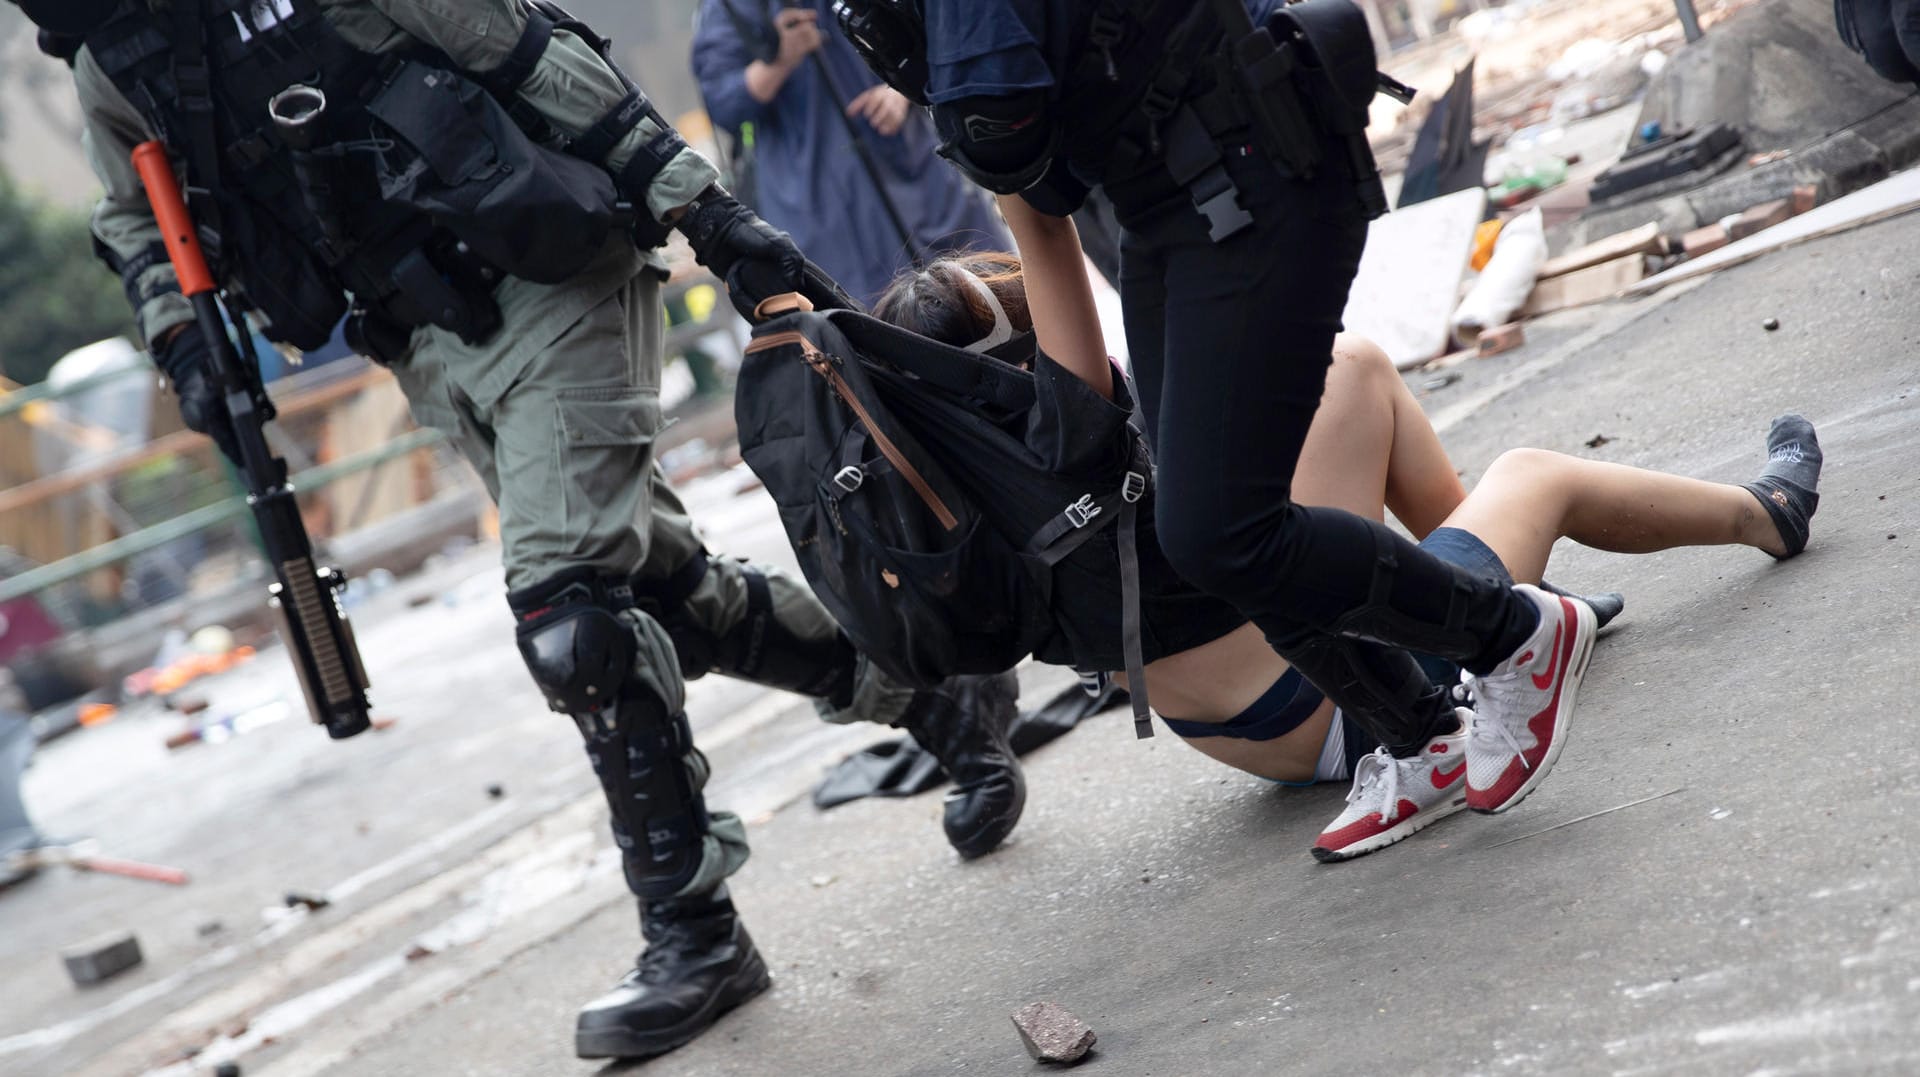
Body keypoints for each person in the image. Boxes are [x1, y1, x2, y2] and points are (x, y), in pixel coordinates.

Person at [15, 0, 1026, 1060]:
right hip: (423, 338)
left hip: (553, 267)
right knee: (661, 603)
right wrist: (181, 344)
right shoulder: (111, 45)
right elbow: (132, 211)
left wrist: (709, 217)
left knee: (573, 620)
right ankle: (935, 698)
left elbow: (537, 56)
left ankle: (695, 931)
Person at [837, 0, 1611, 837]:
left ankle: (1502, 631)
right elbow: (1042, 186)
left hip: (1243, 167)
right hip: (1164, 203)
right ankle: (1459, 688)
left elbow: (1013, 146)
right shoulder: (1055, 443)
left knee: (1225, 523)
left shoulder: (1013, 478)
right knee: (1246, 495)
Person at [870, 196, 1824, 859]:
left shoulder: (958, 500)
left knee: (1340, 380)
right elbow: (1037, 218)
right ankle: (1766, 517)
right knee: (1511, 460)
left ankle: (1498, 609)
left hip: (1258, 741)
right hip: (1348, 707)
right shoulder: (1067, 426)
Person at [691, 0, 1010, 306]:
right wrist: (780, 60)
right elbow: (722, 102)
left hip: (923, 182)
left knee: (989, 294)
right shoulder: (728, 8)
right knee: (878, 334)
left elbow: (939, 33)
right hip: (824, 216)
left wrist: (900, 91)